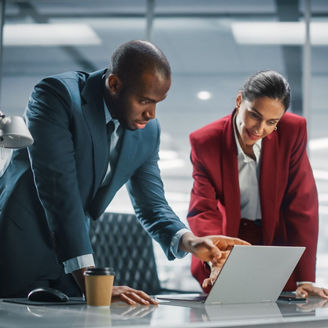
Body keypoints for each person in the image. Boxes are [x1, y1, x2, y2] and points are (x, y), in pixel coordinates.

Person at [0, 40, 247, 305]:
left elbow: (152, 205)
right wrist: (91, 282)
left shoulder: (147, 132)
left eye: (158, 103)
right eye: (144, 101)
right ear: (114, 84)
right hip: (17, 247)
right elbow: (59, 190)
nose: (151, 114)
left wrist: (190, 241)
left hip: (69, 260)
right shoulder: (56, 95)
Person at [187, 70, 328, 299]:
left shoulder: (292, 131)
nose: (259, 129)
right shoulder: (205, 141)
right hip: (229, 239)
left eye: (271, 122)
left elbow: (301, 206)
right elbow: (203, 209)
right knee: (227, 306)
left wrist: (305, 279)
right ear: (239, 100)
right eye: (254, 115)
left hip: (275, 241)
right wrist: (214, 255)